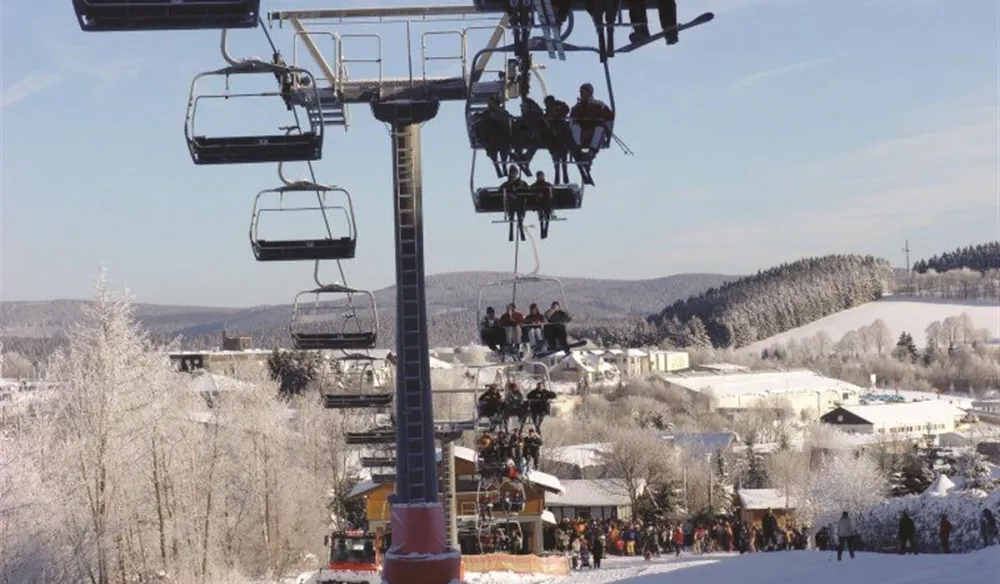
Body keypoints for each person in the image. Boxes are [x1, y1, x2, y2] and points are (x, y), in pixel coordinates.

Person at [499, 167, 529, 242]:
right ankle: (511, 235)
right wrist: (509, 194)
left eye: (515, 173)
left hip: (520, 203)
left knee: (519, 218)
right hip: (510, 204)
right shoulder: (507, 184)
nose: (514, 174)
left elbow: (528, 190)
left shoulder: (522, 183)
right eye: (512, 173)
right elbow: (500, 190)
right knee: (511, 219)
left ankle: (522, 234)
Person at [531, 171, 554, 239]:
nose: (540, 177)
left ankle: (545, 230)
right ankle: (542, 229)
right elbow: (531, 190)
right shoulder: (534, 185)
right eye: (539, 176)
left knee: (547, 216)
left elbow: (552, 190)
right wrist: (537, 194)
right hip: (539, 203)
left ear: (543, 176)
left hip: (547, 203)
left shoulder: (548, 184)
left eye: (541, 176)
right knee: (541, 215)